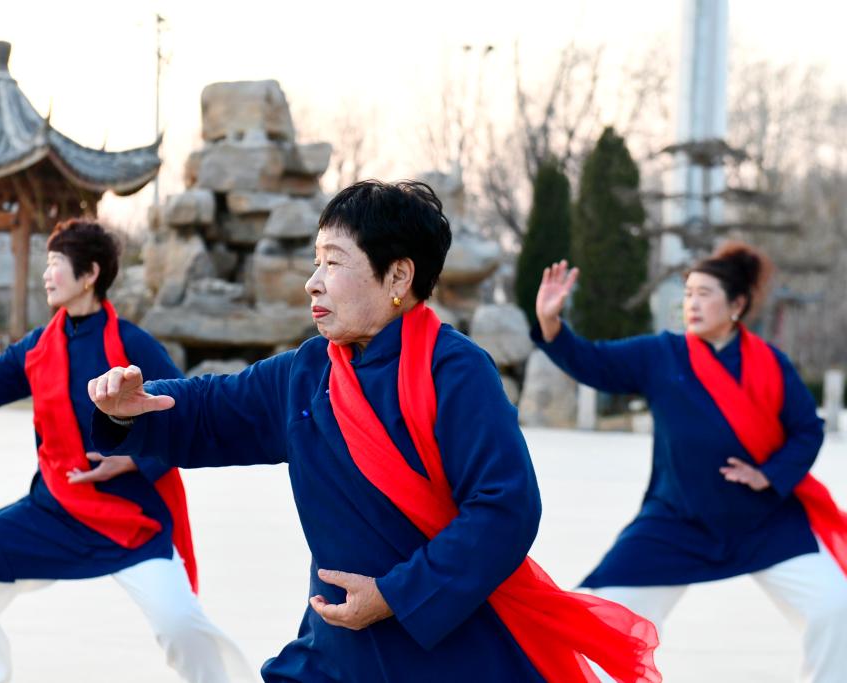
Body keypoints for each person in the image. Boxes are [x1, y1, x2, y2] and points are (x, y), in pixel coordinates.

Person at [86, 180, 660, 683]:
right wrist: (129, 409)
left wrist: (394, 596)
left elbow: (505, 508)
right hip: (335, 652)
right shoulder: (308, 372)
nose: (313, 283)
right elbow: (213, 407)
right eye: (316, 262)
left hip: (445, 650)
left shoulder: (456, 371)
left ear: (398, 276)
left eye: (333, 263)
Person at [0, 219, 251, 683]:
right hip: (56, 510)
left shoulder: (132, 344)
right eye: (47, 262)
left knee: (182, 625)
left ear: (90, 273)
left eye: (56, 262)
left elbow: (185, 413)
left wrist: (133, 457)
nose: (46, 273)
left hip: (131, 519)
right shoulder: (37, 347)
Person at [530, 245, 847, 682]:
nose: (692, 304)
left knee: (834, 607)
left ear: (736, 304)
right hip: (677, 519)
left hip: (763, 520)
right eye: (688, 293)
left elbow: (807, 429)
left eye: (704, 294)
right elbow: (594, 362)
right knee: (599, 609)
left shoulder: (770, 363)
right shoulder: (662, 354)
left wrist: (769, 475)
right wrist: (552, 324)